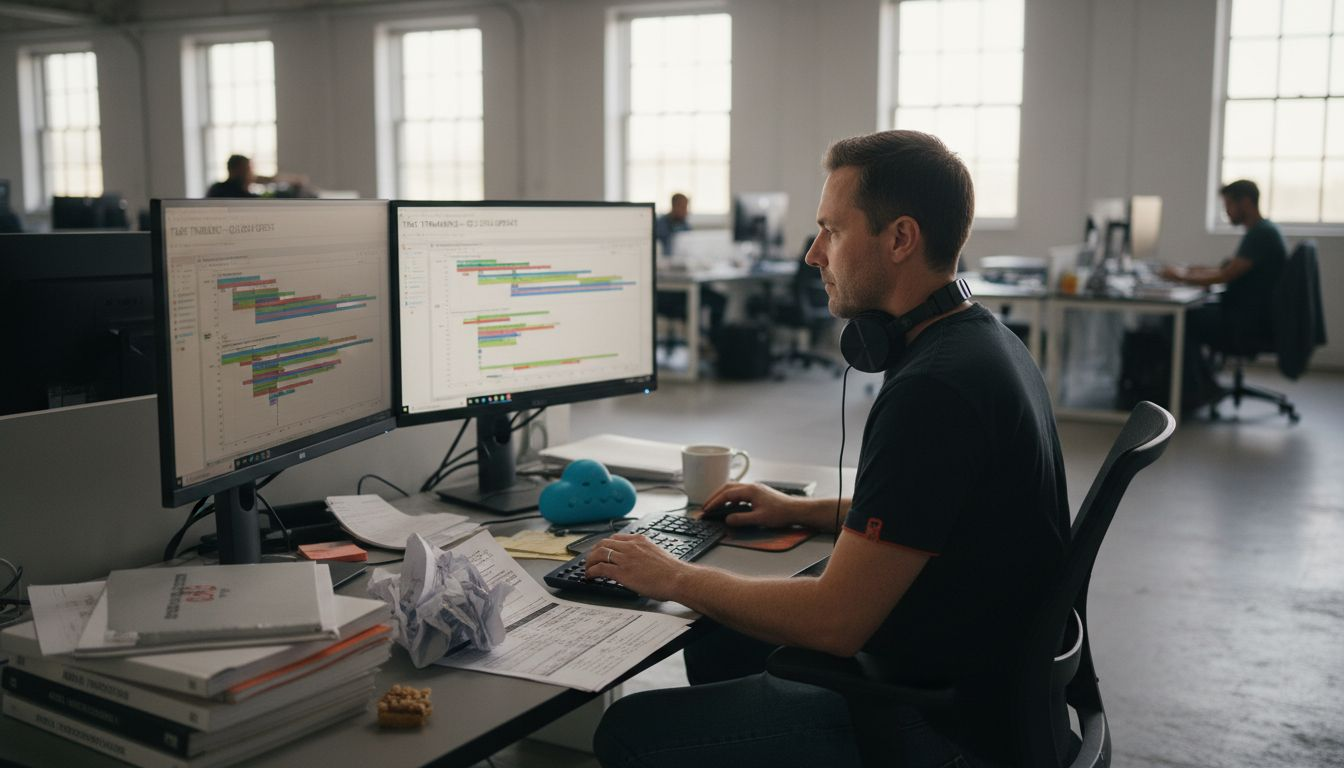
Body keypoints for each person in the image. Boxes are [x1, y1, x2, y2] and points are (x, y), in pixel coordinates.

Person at [587, 130, 1070, 768]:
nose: (814, 254)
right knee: (717, 645)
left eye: (831, 231)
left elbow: (834, 623)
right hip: (990, 685)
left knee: (626, 729)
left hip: (940, 721)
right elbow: (942, 513)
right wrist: (802, 510)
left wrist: (672, 575)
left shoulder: (934, 390)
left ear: (900, 238)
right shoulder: (984, 343)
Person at [1160, 179, 1287, 410]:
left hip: (1247, 324)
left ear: (1245, 203)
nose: (1226, 211)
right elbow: (1229, 269)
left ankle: (1196, 391)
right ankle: (1203, 386)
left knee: (1177, 321)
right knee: (1193, 315)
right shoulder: (1263, 231)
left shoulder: (1260, 235)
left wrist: (1181, 277)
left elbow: (1226, 275)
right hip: (1250, 316)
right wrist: (1191, 271)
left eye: (1228, 205)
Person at [654, 192, 727, 342]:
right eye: (683, 207)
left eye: (687, 207)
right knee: (692, 303)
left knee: (719, 300)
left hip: (687, 278)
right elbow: (661, 256)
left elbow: (690, 251)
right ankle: (698, 342)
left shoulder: (685, 226)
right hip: (669, 287)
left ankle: (714, 343)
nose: (686, 211)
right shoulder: (659, 226)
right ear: (674, 206)